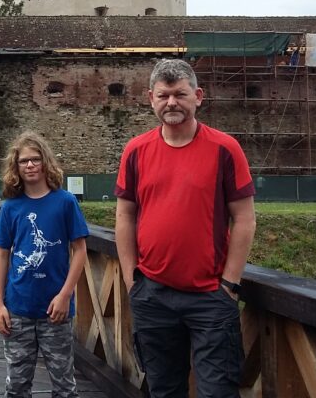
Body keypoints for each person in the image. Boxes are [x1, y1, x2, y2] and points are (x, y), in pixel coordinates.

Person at [114, 59, 256, 398]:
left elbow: (245, 218)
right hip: (153, 293)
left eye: (180, 94)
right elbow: (124, 217)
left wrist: (230, 283)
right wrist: (132, 281)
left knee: (217, 392)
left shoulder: (225, 148)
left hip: (210, 295)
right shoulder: (136, 150)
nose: (171, 103)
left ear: (198, 96)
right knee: (164, 391)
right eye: (163, 95)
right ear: (151, 98)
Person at [0, 131, 89, 398]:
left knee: (64, 386)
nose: (30, 165)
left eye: (35, 159)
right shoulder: (11, 207)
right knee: (17, 386)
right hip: (18, 308)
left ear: (45, 162)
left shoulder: (65, 202)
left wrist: (65, 295)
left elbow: (80, 250)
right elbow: (1, 254)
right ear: (16, 166)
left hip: (55, 309)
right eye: (23, 161)